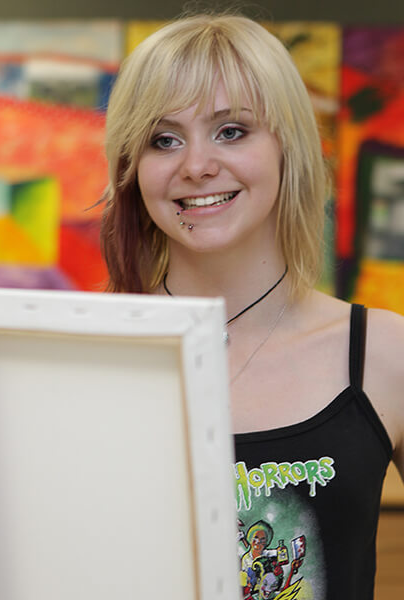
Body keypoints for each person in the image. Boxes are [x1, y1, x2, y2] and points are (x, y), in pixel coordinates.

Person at [100, 13, 404, 600]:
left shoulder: (382, 353)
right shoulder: (87, 357)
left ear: (288, 144)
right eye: (164, 140)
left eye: (231, 131)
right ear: (132, 170)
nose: (196, 165)